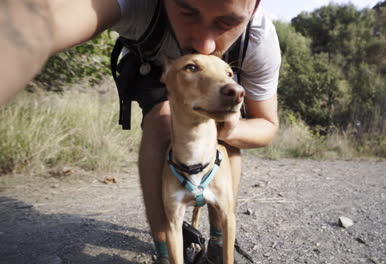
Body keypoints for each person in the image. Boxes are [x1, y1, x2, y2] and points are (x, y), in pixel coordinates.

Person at [0, 0, 281, 263]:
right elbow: (37, 19)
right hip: (156, 68)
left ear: (254, 5)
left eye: (226, 22)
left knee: (231, 138)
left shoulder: (258, 40)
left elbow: (266, 125)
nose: (204, 43)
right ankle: (166, 247)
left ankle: (219, 237)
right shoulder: (138, 4)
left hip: (215, 91)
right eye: (188, 11)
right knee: (161, 122)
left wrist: (230, 130)